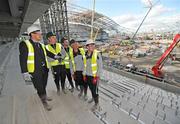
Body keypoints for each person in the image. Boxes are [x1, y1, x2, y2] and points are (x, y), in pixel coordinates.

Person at [19, 24, 52, 111]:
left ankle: (44, 95)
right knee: (39, 87)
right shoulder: (25, 44)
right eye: (39, 33)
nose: (40, 35)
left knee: (43, 85)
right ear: (32, 34)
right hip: (34, 71)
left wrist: (56, 56)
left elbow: (48, 53)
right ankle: (44, 101)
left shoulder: (41, 45)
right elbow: (22, 59)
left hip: (44, 69)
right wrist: (25, 72)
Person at [84, 39, 103, 111]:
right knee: (91, 89)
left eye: (93, 45)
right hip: (88, 75)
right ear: (87, 47)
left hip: (95, 76)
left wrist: (97, 76)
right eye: (90, 45)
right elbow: (85, 65)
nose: (92, 46)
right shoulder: (85, 54)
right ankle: (93, 98)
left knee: (95, 91)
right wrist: (84, 74)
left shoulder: (97, 54)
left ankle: (96, 103)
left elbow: (100, 66)